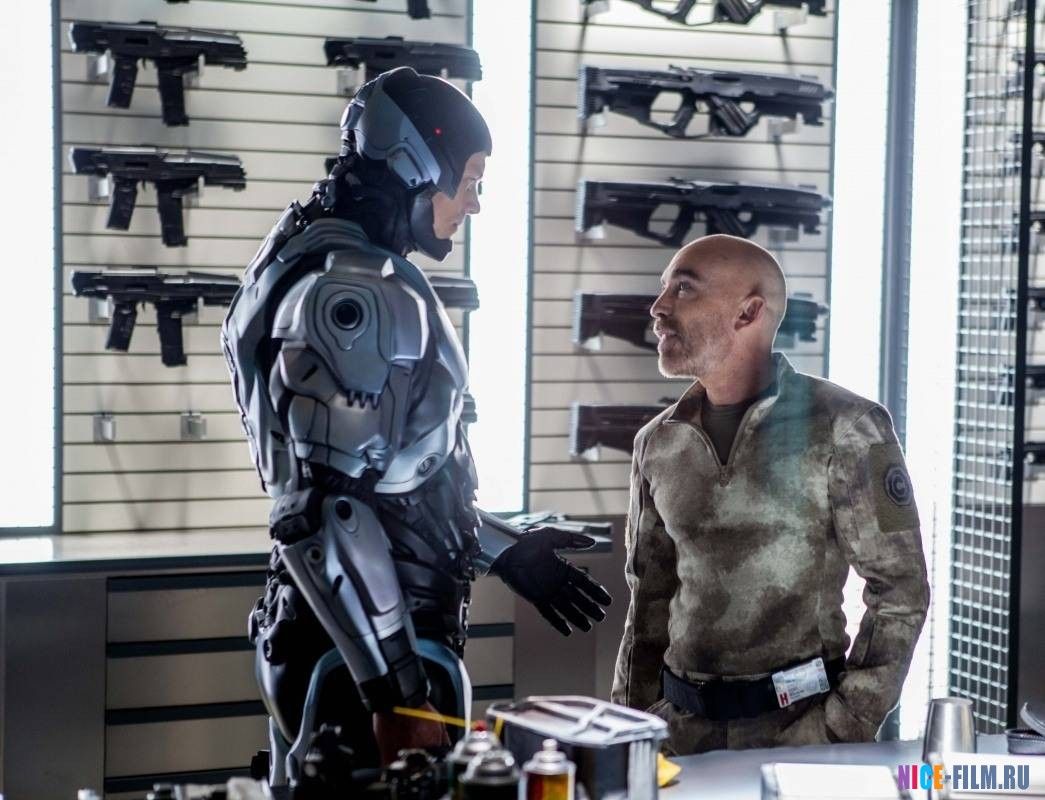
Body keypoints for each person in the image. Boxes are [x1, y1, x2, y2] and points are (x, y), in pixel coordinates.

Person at [221, 67, 611, 786]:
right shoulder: (359, 288)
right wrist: (396, 692)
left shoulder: (317, 258)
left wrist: (503, 550)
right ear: (416, 164)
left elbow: (388, 488)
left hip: (348, 640)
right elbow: (323, 510)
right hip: (364, 660)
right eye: (470, 179)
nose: (474, 203)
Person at [611, 233, 929, 753]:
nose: (658, 307)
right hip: (676, 738)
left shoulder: (849, 427)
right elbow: (647, 602)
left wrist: (841, 726)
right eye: (664, 289)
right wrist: (630, 729)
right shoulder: (657, 442)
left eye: (683, 289)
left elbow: (901, 590)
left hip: (798, 735)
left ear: (748, 312)